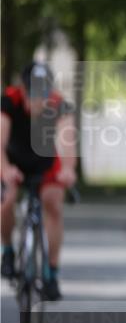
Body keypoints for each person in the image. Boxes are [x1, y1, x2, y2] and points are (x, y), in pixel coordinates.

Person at [1, 62, 77, 300]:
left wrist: (68, 169)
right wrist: (5, 169)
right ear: (23, 90)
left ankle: (51, 273)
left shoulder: (59, 105)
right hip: (13, 162)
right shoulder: (9, 101)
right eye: (33, 92)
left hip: (45, 164)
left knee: (53, 203)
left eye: (44, 92)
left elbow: (67, 141)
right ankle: (8, 251)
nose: (39, 100)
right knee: (6, 200)